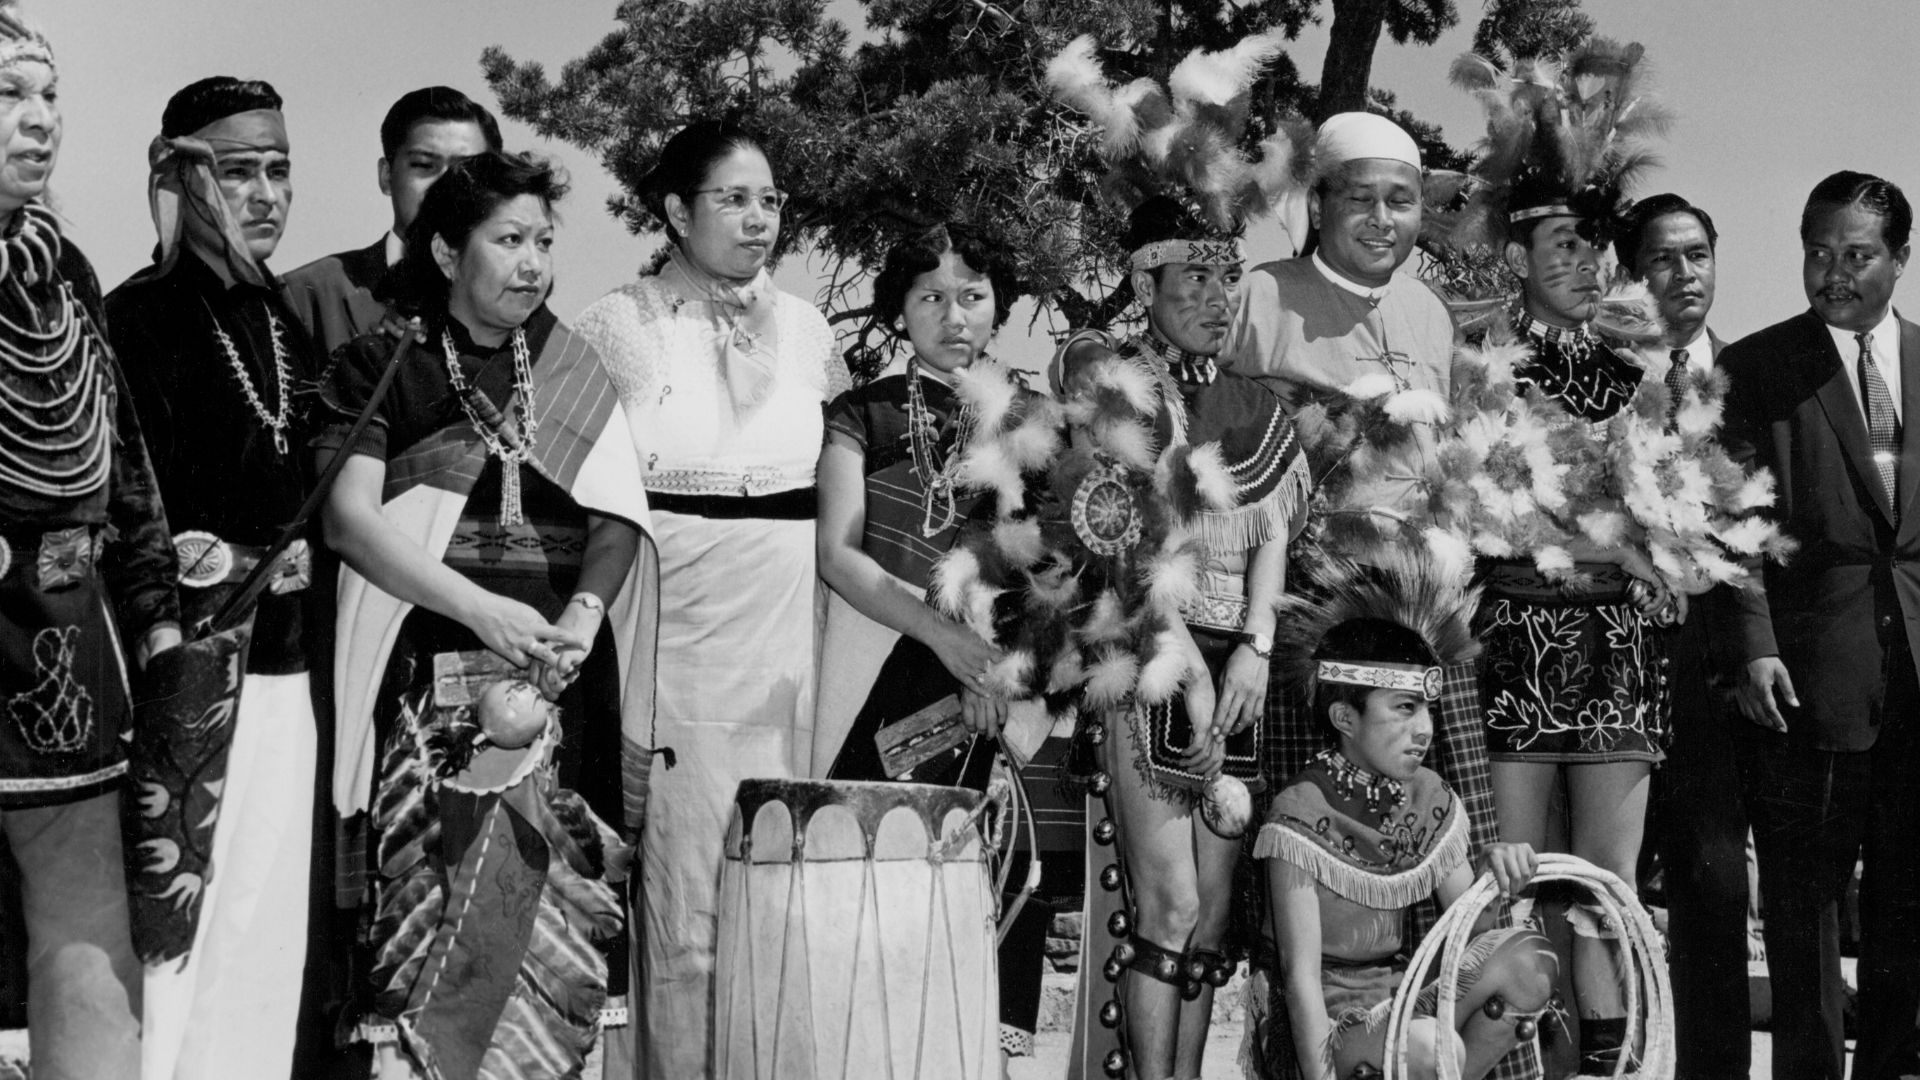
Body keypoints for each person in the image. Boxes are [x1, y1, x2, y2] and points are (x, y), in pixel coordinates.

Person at [318, 149, 653, 1077]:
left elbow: (618, 520)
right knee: (429, 918)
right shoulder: (384, 365)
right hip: (425, 675)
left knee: (557, 918)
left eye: (544, 241)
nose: (534, 262)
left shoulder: (572, 369)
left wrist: (582, 619)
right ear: (445, 249)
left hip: (561, 680)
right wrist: (483, 616)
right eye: (508, 240)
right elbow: (349, 523)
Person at [1222, 112, 1521, 1080]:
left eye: (1403, 199)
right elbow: (1227, 468)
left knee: (1454, 861)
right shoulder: (1261, 297)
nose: (1386, 218)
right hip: (1314, 622)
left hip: (1426, 628)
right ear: (1320, 202)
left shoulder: (1432, 310)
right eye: (1363, 197)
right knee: (1306, 893)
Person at [574, 119, 847, 1077]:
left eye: (769, 198)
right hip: (672, 635)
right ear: (677, 212)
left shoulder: (813, 333)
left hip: (788, 647)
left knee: (778, 900)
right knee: (685, 916)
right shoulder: (618, 323)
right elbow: (579, 505)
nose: (758, 217)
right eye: (732, 197)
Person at [1051, 195, 1309, 1080]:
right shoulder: (1119, 392)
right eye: (1193, 277)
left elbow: (1273, 530)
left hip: (1239, 664)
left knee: (1209, 920)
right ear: (1144, 281)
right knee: (1169, 906)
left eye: (1225, 277)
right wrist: (1189, 659)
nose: (1215, 295)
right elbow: (1115, 537)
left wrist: (1258, 645)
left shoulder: (1254, 405)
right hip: (1155, 654)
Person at [104, 75, 323, 1080]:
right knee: (176, 938)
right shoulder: (138, 317)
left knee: (266, 935)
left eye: (280, 168)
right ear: (187, 178)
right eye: (241, 171)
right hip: (184, 675)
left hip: (290, 668)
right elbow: (126, 510)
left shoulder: (288, 320)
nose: (268, 192)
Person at [815, 222, 1066, 1069]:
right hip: (877, 661)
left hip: (1004, 688)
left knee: (985, 888)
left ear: (1000, 305)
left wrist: (1009, 671)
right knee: (874, 885)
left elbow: (1065, 563)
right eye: (929, 298)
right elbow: (838, 554)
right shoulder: (862, 413)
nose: (953, 316)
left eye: (973, 296)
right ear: (896, 309)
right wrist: (946, 642)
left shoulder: (1035, 423)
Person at [0, 8, 180, 1077]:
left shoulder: (59, 270)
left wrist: (155, 616)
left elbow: (125, 461)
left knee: (87, 925)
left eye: (49, 95)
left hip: (59, 638)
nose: (39, 120)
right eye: (9, 96)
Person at [1713, 170, 1920, 1080]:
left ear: (1901, 260)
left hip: (1914, 677)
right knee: (1805, 911)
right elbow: (1733, 524)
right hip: (1805, 680)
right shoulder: (1756, 369)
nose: (1834, 272)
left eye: (1859, 254)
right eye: (1818, 252)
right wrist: (1754, 641)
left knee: (1907, 907)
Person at [1257, 553, 1556, 1080]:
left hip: (1404, 1000)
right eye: (1403, 708)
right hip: (1328, 1026)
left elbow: (1475, 927)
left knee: (1528, 963)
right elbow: (1297, 975)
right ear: (1345, 717)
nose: (1424, 730)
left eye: (1427, 710)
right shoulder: (1299, 812)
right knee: (1431, 1047)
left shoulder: (1425, 795)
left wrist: (1493, 867)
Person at [1614, 192, 1754, 1080]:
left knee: (1712, 889)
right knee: (1599, 886)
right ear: (1635, 272)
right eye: (1663, 258)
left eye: (1697, 254)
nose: (1685, 273)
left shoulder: (1759, 376)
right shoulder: (1597, 376)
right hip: (1605, 666)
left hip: (1715, 676)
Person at [282, 86, 501, 357]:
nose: (445, 187)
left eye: (466, 170)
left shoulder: (516, 307)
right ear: (386, 176)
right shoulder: (306, 296)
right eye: (423, 165)